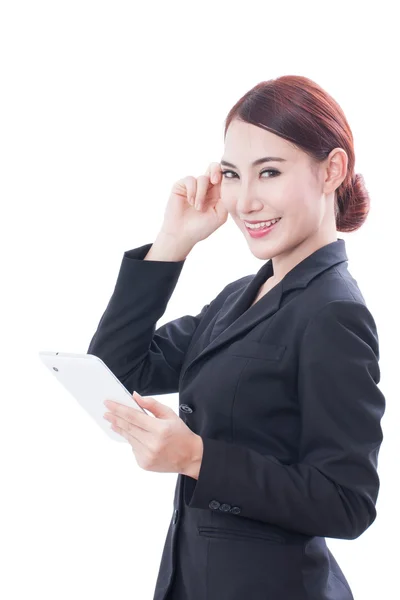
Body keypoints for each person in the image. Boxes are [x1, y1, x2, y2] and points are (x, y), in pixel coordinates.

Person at [88, 75, 386, 600]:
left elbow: (348, 501)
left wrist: (197, 458)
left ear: (331, 170)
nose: (246, 201)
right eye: (231, 175)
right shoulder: (237, 297)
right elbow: (114, 371)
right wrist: (173, 242)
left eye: (269, 172)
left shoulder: (333, 312)